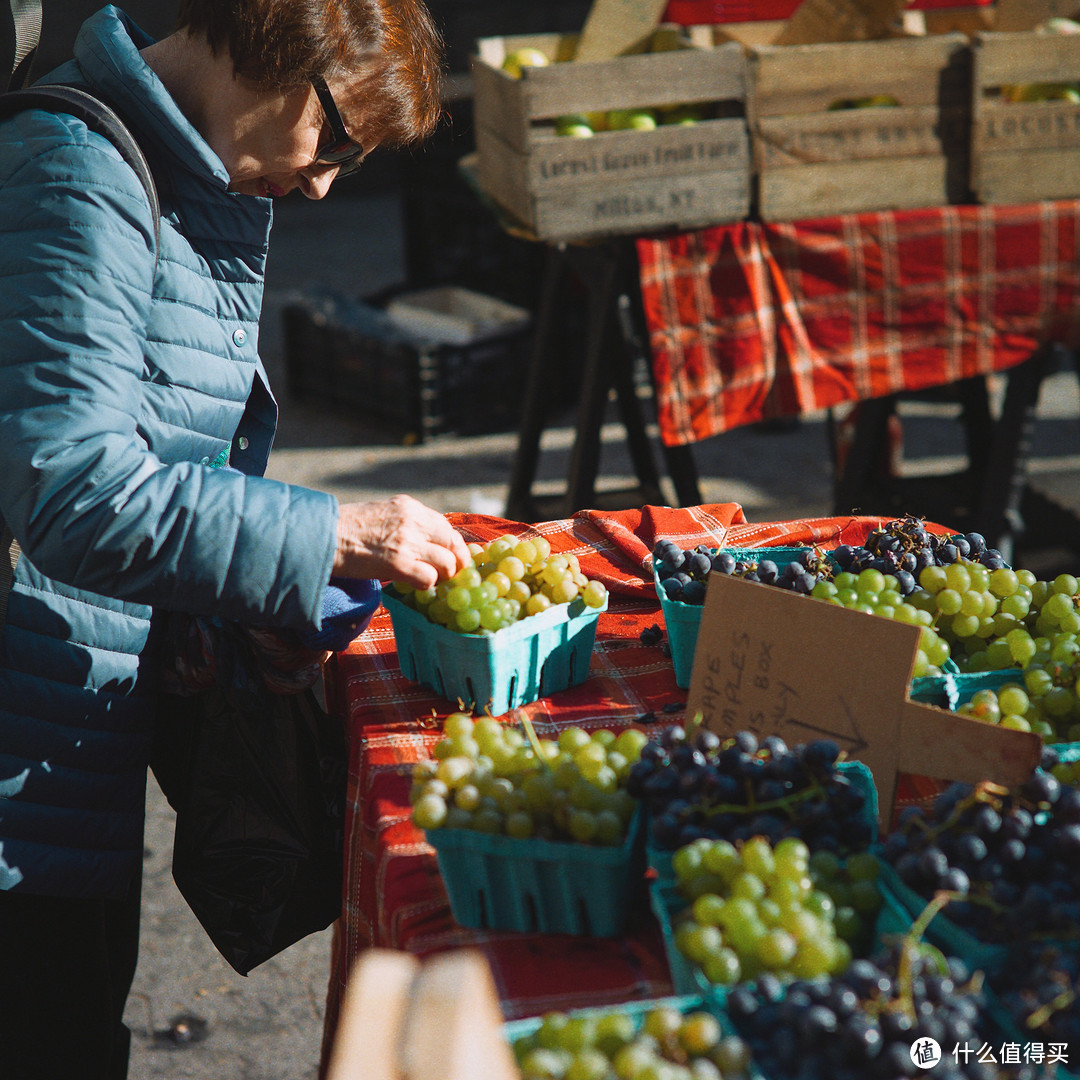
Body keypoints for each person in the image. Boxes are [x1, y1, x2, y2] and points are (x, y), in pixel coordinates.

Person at [0, 2, 470, 1077]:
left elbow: (163, 466)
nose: (322, 186)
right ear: (277, 50)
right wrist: (330, 532)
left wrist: (253, 605)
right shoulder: (81, 174)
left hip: (65, 743)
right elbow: (74, 491)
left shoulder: (180, 178)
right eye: (336, 143)